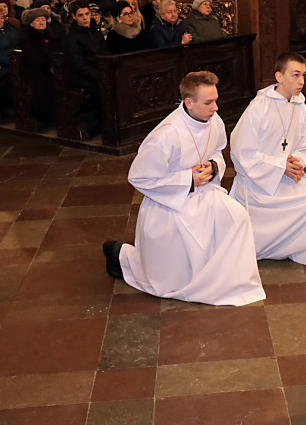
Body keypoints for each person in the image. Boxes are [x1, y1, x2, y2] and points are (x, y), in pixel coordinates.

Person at [102, 70, 265, 306]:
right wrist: (187, 180)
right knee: (190, 240)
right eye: (208, 102)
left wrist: (213, 167)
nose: (216, 108)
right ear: (189, 103)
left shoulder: (213, 121)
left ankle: (225, 280)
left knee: (237, 216)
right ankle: (119, 255)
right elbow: (139, 178)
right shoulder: (166, 135)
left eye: (216, 100)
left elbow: (218, 151)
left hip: (204, 194)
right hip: (169, 204)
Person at [230, 52, 306, 267]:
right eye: (295, 75)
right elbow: (241, 153)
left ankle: (298, 248)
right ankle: (266, 247)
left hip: (286, 175)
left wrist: (297, 163)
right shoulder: (259, 107)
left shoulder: (300, 107)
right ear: (279, 76)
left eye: (304, 75)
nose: (302, 81)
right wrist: (279, 166)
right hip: (259, 182)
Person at [62, 0, 107, 137]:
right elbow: (78, 63)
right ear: (74, 17)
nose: (85, 18)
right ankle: (90, 126)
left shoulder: (95, 31)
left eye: (87, 14)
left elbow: (105, 52)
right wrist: (98, 75)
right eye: (81, 15)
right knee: (102, 88)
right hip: (81, 76)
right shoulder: (71, 37)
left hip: (99, 71)